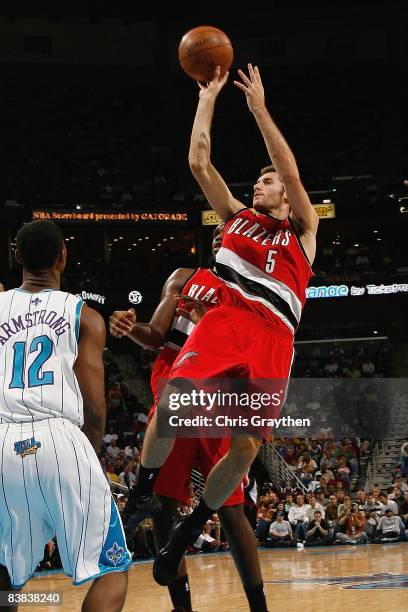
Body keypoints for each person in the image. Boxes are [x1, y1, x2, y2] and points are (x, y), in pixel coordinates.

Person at [133, 63, 319, 587]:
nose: (258, 184)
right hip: (227, 321)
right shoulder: (235, 219)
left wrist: (259, 108)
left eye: (266, 179)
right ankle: (144, 490)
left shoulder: (303, 230)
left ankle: (187, 531)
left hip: (275, 339)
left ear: (284, 191)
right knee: (173, 401)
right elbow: (198, 161)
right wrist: (208, 96)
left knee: (245, 448)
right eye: (258, 179)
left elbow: (292, 170)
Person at [109, 225, 268, 612]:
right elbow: (155, 334)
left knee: (230, 510)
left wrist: (212, 325)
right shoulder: (185, 278)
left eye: (229, 233)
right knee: (164, 504)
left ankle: (259, 607)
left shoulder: (256, 295)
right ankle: (182, 608)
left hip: (219, 404)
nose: (220, 237)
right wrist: (132, 329)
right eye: (216, 233)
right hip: (176, 396)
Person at [0, 220, 130, 612]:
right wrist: (84, 455)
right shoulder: (85, 316)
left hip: (3, 440)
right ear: (63, 257)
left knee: (5, 574)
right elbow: (95, 409)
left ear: (17, 256)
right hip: (60, 437)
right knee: (112, 569)